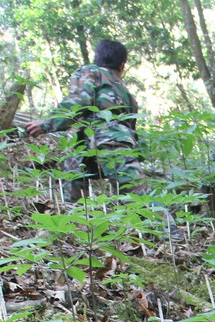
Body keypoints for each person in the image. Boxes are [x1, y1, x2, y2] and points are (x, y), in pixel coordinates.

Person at [25, 39, 145, 204]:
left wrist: (47, 123)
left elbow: (79, 101)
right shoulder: (125, 92)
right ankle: (79, 221)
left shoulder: (90, 71)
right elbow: (131, 129)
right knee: (73, 167)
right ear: (122, 65)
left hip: (102, 141)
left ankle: (169, 230)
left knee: (139, 200)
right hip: (100, 144)